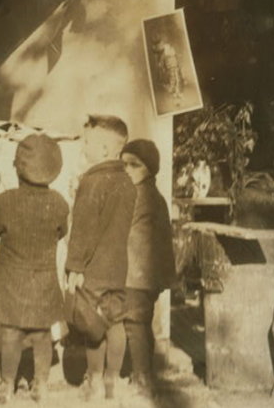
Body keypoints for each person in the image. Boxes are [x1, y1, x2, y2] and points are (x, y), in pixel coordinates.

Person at [0, 134, 69, 404]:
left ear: (18, 167)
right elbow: (62, 232)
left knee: (11, 333)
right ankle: (41, 385)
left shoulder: (5, 201)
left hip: (11, 280)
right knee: (42, 333)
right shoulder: (59, 203)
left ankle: (6, 385)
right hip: (43, 279)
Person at [64, 114, 136, 401]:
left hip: (92, 266)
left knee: (92, 324)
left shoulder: (91, 182)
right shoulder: (127, 183)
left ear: (105, 149)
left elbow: (82, 230)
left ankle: (93, 382)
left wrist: (74, 268)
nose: (83, 147)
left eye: (87, 142)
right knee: (115, 320)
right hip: (117, 265)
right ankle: (112, 381)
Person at [120, 139, 176, 399]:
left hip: (136, 273)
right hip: (148, 275)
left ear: (150, 169)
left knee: (134, 323)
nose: (128, 170)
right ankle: (145, 372)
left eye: (135, 165)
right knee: (143, 322)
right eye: (124, 165)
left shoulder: (138, 195)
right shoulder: (157, 197)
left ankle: (142, 376)